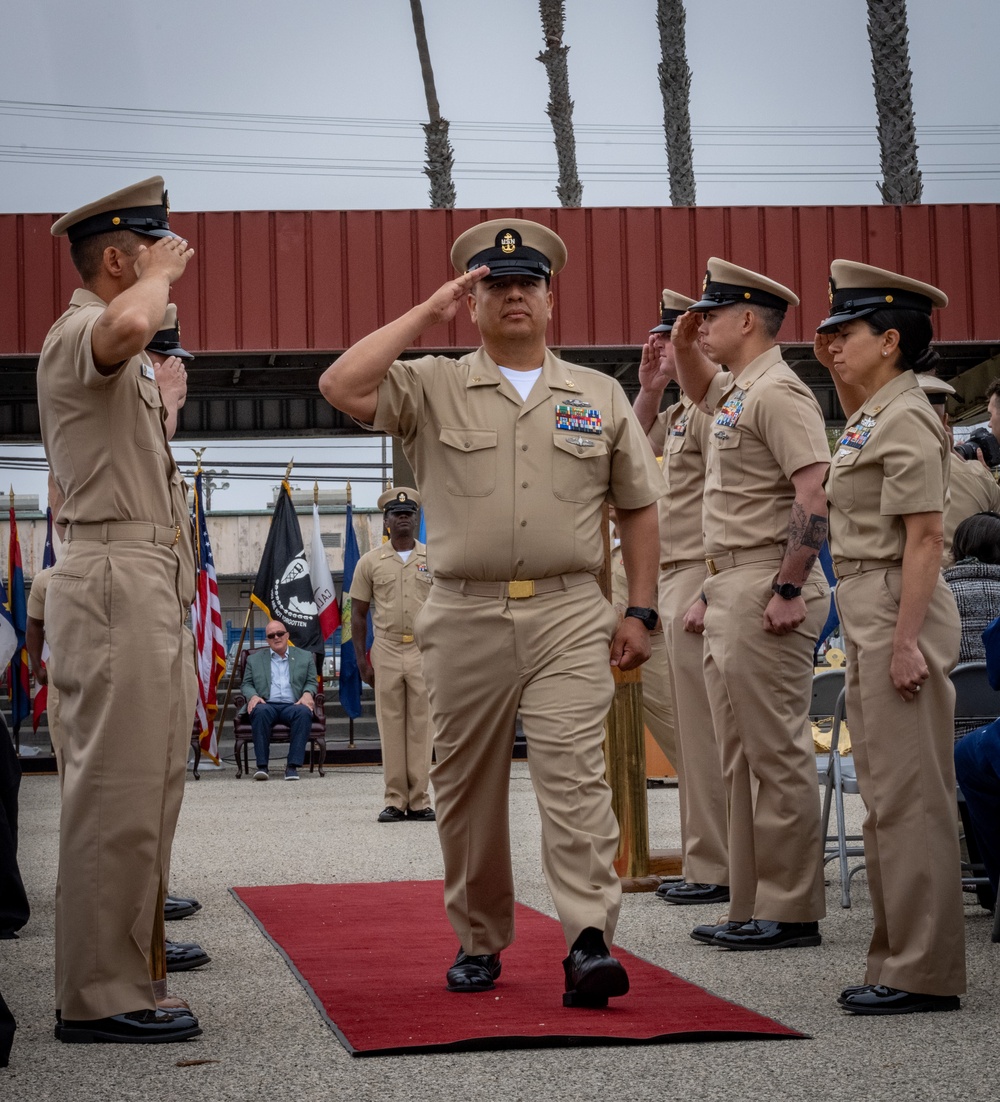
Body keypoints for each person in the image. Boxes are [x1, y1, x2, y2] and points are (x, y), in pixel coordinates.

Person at [318, 218, 663, 1009]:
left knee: (575, 778)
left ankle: (587, 941)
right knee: (466, 784)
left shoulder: (599, 395)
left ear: (550, 297)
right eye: (494, 285)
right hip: (463, 612)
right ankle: (480, 938)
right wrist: (425, 312)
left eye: (528, 284)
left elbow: (639, 509)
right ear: (472, 301)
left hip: (572, 610)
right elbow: (342, 385)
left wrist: (638, 609)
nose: (514, 295)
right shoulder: (432, 383)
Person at [37, 176, 201, 1043]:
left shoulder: (123, 358)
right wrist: (160, 277)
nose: (173, 255)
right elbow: (129, 324)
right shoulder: (83, 330)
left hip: (141, 576)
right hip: (109, 579)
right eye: (154, 244)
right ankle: (97, 996)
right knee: (113, 795)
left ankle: (131, 970)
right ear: (116, 256)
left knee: (148, 791)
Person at [814, 259, 964, 1015]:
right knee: (885, 795)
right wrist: (833, 365)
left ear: (893, 341)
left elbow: (927, 540)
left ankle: (924, 970)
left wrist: (907, 643)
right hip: (870, 602)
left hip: (898, 604)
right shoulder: (879, 408)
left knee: (911, 799)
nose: (834, 341)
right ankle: (897, 957)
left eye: (849, 331)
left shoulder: (907, 415)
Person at [670, 258, 830, 950]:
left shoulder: (780, 392)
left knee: (775, 755)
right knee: (740, 756)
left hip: (770, 581)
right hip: (732, 582)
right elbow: (703, 392)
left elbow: (813, 491)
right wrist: (681, 348)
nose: (699, 324)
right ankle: (751, 902)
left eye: (710, 315)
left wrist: (790, 585)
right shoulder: (739, 389)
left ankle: (792, 910)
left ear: (746, 320)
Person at [631, 289, 729, 907]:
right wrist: (650, 388)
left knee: (708, 736)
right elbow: (626, 449)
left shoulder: (722, 405)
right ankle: (705, 860)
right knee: (692, 738)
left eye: (670, 337)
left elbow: (736, 505)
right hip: (672, 578)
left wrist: (712, 588)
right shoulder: (682, 412)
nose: (659, 347)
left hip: (701, 572)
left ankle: (719, 866)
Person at [349, 486, 435, 823]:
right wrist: (361, 660)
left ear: (416, 520)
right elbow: (357, 614)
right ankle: (395, 800)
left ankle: (420, 800)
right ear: (386, 521)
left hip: (422, 648)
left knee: (422, 726)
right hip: (384, 647)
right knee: (391, 724)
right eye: (397, 515)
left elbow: (444, 607)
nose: (403, 519)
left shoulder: (433, 559)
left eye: (409, 514)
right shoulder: (370, 562)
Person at [916, 375, 1000, 566]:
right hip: (967, 583)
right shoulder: (979, 477)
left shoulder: (881, 472)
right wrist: (981, 475)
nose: (988, 424)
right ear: (946, 421)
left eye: (990, 415)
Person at [240, 619, 318, 780]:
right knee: (259, 711)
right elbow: (246, 684)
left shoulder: (305, 657)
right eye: (271, 635)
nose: (276, 637)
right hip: (267, 704)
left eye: (280, 633)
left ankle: (292, 767)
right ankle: (262, 767)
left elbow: (311, 682)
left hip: (293, 704)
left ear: (287, 635)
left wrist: (308, 693)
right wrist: (253, 696)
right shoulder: (253, 659)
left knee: (304, 712)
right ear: (267, 639)